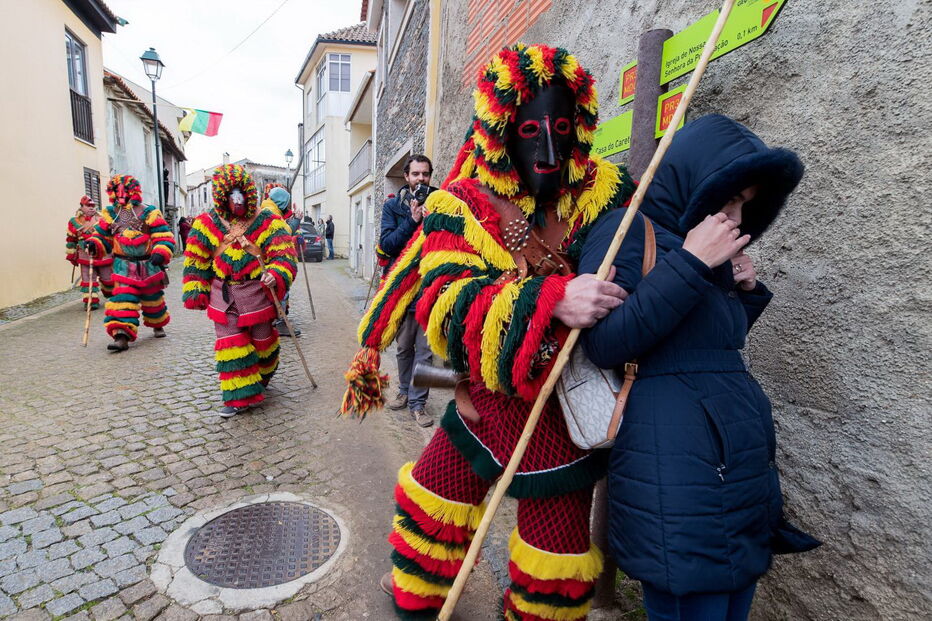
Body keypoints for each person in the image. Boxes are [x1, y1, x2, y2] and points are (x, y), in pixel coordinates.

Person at [345, 44, 635, 620]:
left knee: (556, 556)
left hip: (563, 416)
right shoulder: (461, 203)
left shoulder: (606, 194)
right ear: (503, 131)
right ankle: (418, 595)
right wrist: (552, 299)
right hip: (484, 405)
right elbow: (446, 304)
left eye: (559, 129)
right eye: (531, 130)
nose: (548, 151)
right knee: (435, 503)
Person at [579, 115, 820, 621]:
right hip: (674, 465)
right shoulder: (626, 231)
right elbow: (606, 343)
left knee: (732, 602)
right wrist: (690, 264)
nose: (735, 217)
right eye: (727, 199)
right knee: (693, 601)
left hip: (731, 463)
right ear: (691, 179)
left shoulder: (701, 248)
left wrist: (745, 296)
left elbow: (701, 348)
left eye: (745, 205)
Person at [181, 164, 298, 417]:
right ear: (222, 196)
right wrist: (195, 289)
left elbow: (284, 254)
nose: (237, 201)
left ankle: (263, 376)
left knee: (263, 344)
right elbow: (196, 260)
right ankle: (238, 397)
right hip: (223, 295)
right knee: (230, 344)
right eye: (231, 195)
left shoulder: (268, 221)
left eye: (241, 194)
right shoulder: (205, 224)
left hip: (257, 294)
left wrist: (276, 273)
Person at [378, 155, 438, 427]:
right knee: (403, 348)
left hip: (429, 290)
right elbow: (388, 244)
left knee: (425, 352)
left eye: (425, 174)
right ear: (406, 176)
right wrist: (412, 220)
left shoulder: (441, 203)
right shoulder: (393, 206)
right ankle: (404, 391)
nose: (421, 179)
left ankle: (418, 403)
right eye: (416, 174)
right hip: (402, 290)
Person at [85, 175, 174, 352]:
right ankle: (121, 336)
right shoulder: (109, 214)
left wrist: (161, 251)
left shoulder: (149, 212)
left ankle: (157, 324)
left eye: (124, 191)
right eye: (117, 191)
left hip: (148, 265)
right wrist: (93, 243)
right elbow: (101, 235)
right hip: (123, 266)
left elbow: (163, 235)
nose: (121, 195)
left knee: (153, 299)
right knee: (122, 299)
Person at [260, 186, 301, 337]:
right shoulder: (270, 212)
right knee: (280, 291)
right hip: (274, 262)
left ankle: (277, 320)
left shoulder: (269, 208)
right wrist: (296, 220)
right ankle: (279, 323)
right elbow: (284, 232)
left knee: (280, 292)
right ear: (282, 203)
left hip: (271, 260)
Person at [66, 196, 113, 310]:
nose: (92, 208)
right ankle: (91, 302)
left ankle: (111, 295)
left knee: (107, 278)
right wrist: (72, 254)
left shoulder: (103, 219)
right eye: (88, 206)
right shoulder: (74, 221)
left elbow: (110, 235)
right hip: (85, 254)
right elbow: (71, 239)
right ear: (82, 207)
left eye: (93, 206)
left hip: (103, 253)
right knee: (88, 279)